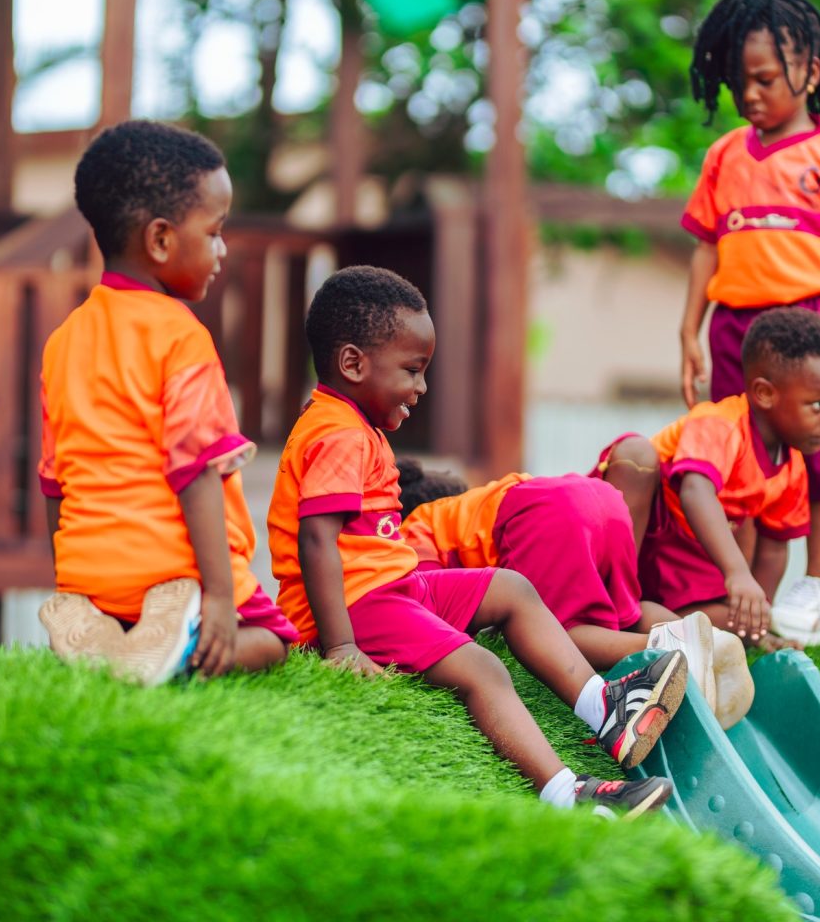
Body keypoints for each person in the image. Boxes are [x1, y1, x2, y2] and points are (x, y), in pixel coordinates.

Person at [266, 265, 687, 817]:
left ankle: (604, 709)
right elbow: (317, 539)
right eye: (412, 371)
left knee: (511, 589)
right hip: (355, 604)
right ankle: (569, 795)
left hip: (392, 588)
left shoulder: (351, 426)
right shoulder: (337, 432)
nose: (421, 388)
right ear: (353, 364)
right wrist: (341, 645)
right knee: (483, 670)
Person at [37, 120, 298, 686]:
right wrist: (220, 597)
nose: (221, 249)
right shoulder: (180, 337)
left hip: (92, 580)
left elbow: (55, 480)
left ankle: (103, 628)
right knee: (274, 641)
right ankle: (175, 656)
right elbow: (196, 470)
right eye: (214, 232)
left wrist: (72, 585)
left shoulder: (63, 341)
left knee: (114, 608)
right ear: (160, 240)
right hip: (176, 576)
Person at [680, 0, 820, 644]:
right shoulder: (724, 155)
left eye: (766, 79)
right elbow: (706, 248)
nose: (750, 94)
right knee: (739, 464)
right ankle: (742, 598)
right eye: (737, 82)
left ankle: (818, 593)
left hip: (818, 327)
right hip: (736, 332)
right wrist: (689, 331)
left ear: (811, 72)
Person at [396, 459, 754, 730]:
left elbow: (425, 605)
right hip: (600, 501)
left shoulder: (416, 526)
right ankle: (704, 638)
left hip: (545, 513)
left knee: (556, 634)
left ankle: (675, 647)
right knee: (626, 615)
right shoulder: (469, 505)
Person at [601, 308, 820, 651]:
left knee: (731, 623)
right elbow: (695, 492)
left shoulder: (792, 467)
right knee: (637, 453)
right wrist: (738, 574)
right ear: (765, 393)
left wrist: (755, 612)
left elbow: (774, 547)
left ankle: (661, 624)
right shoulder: (720, 423)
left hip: (685, 560)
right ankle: (613, 601)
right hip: (641, 532)